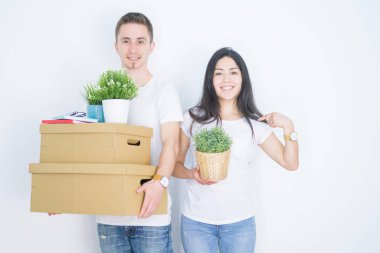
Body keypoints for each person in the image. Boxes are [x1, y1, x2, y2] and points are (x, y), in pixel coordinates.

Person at [173, 47, 299, 253]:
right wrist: (191, 174)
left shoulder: (255, 124)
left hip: (239, 224)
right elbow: (174, 166)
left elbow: (290, 162)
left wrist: (289, 127)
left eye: (233, 72)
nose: (226, 79)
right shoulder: (193, 118)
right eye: (219, 73)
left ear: (242, 78)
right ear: (210, 80)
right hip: (196, 223)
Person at [96, 12, 183, 253]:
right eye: (126, 41)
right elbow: (92, 147)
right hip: (109, 216)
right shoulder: (103, 94)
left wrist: (159, 182)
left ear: (151, 46)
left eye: (140, 41)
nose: (133, 48)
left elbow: (171, 143)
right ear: (116, 46)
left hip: (151, 216)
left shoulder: (163, 91)